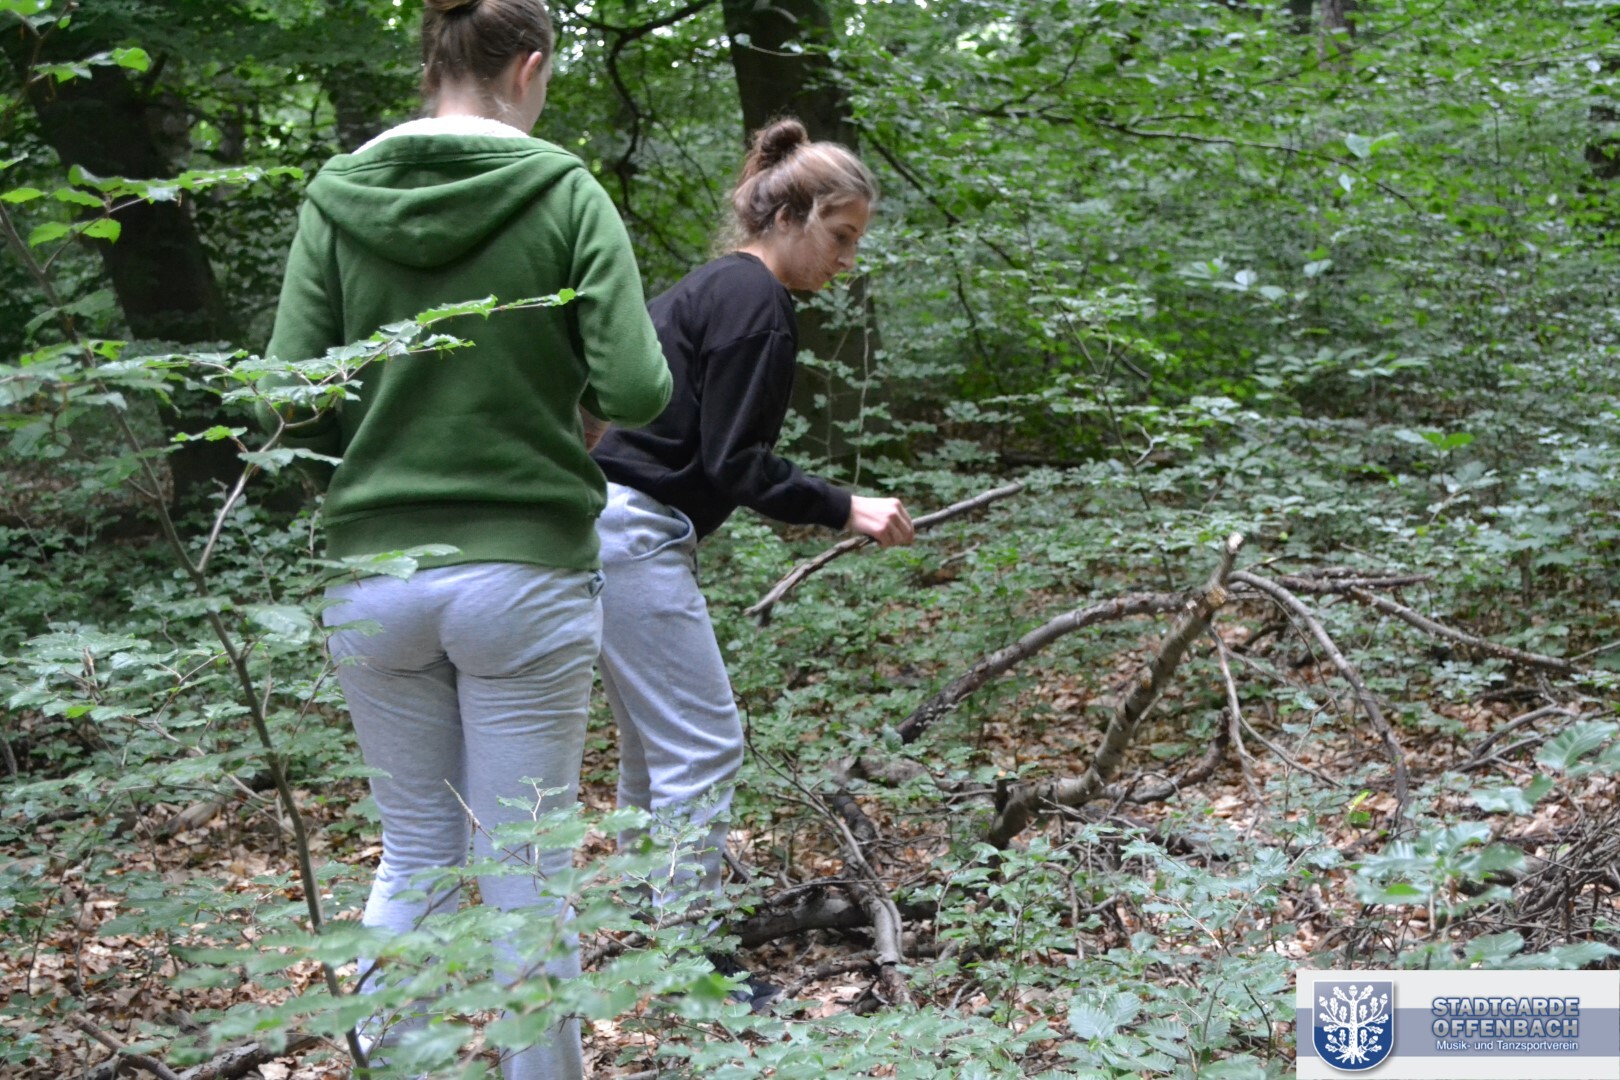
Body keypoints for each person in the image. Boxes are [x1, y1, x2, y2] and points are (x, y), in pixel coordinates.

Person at [262, 0, 672, 1075]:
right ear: (528, 66)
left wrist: (376, 445)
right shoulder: (563, 190)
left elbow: (288, 398)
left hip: (375, 575)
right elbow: (639, 385)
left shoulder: (337, 196)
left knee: (414, 854)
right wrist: (566, 394)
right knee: (525, 872)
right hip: (523, 571)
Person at [589, 118, 915, 1003]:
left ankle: (646, 927)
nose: (847, 260)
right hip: (634, 532)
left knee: (654, 749)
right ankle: (693, 964)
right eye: (840, 235)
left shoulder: (712, 288)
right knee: (704, 745)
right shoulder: (758, 305)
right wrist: (845, 506)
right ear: (791, 217)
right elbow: (735, 463)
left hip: (600, 522)